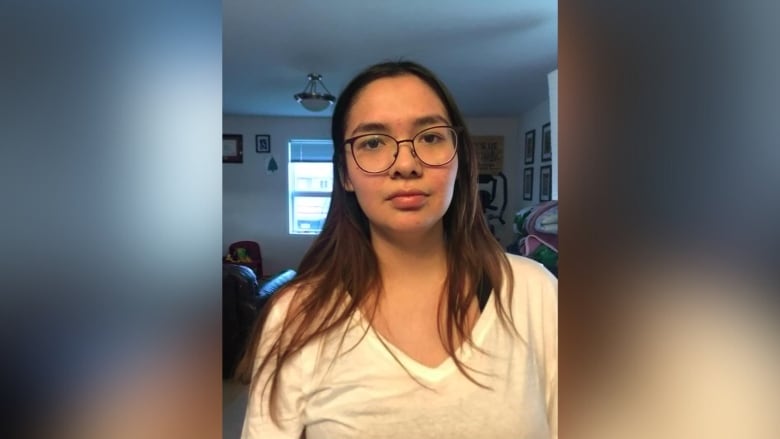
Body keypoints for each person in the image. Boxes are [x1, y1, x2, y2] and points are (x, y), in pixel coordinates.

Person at [235, 61, 558, 439]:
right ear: (345, 176)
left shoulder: (534, 292)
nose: (406, 164)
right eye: (373, 142)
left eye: (430, 137)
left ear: (459, 158)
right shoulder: (296, 316)